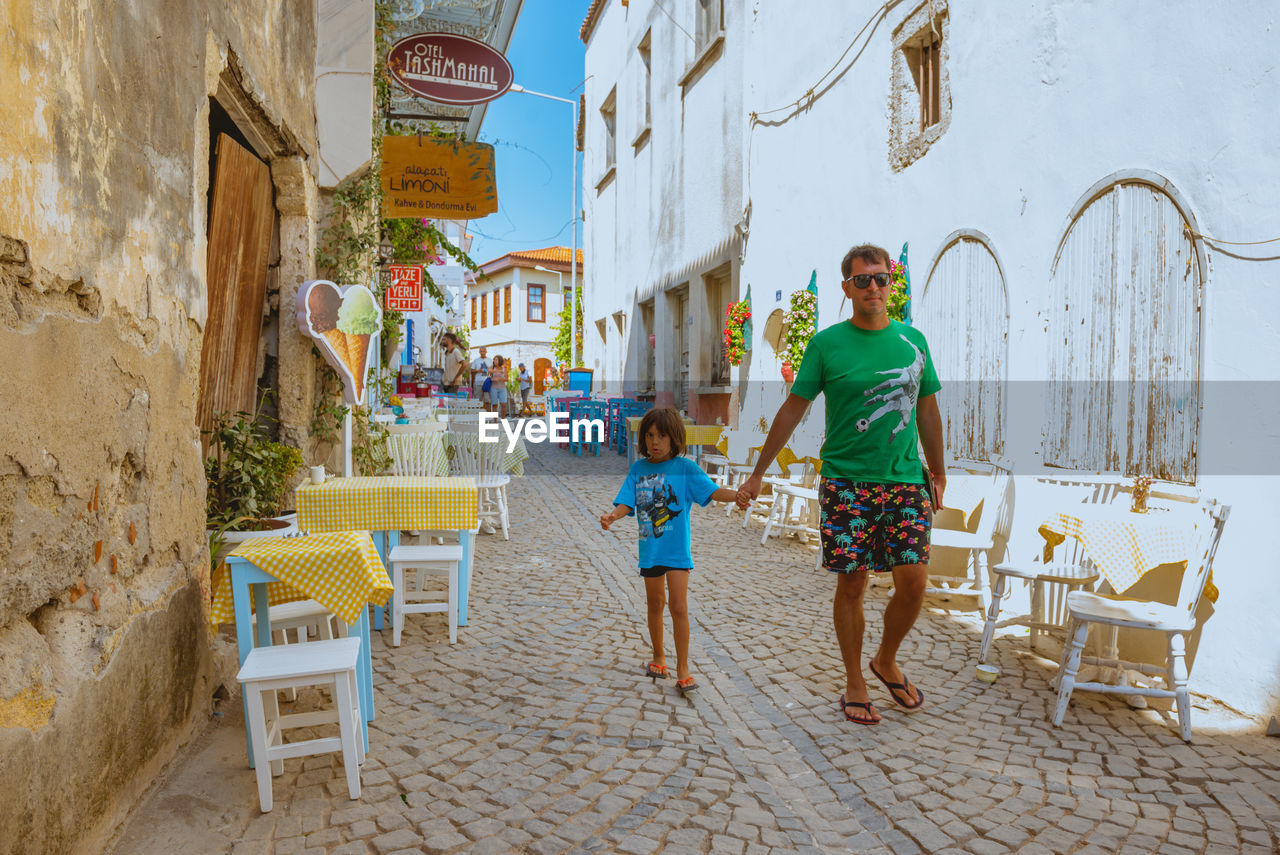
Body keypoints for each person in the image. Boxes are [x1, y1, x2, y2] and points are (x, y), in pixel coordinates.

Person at [736, 244, 946, 726]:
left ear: (891, 284)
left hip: (904, 481)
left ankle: (885, 659)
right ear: (847, 288)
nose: (874, 287)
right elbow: (794, 407)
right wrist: (758, 471)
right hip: (847, 483)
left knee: (913, 582)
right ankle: (855, 678)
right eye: (863, 280)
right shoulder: (826, 344)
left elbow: (928, 410)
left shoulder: (914, 341)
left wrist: (938, 470)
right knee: (853, 583)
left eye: (881, 278)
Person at [600, 408, 739, 697]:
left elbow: (712, 491)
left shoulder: (685, 469)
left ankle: (684, 669)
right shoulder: (638, 470)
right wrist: (613, 516)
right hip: (650, 552)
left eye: (661, 436)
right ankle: (659, 657)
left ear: (674, 438)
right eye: (650, 435)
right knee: (655, 605)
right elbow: (627, 502)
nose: (655, 442)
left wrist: (737, 495)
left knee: (679, 607)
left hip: (677, 553)